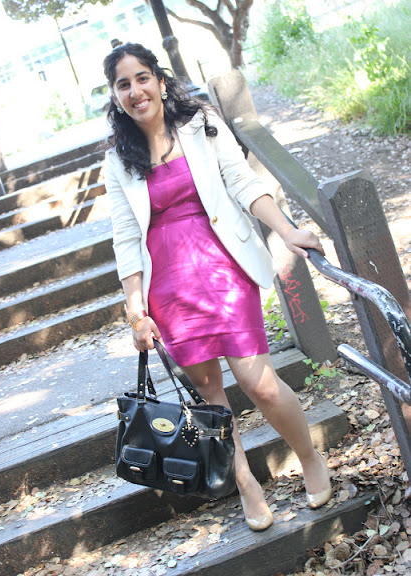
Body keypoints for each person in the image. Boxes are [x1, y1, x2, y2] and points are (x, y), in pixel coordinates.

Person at [103, 42, 332, 531]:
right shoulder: (118, 160)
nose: (135, 90)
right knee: (210, 398)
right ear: (115, 95)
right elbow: (125, 238)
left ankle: (309, 456)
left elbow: (242, 183)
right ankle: (247, 485)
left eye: (142, 78)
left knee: (260, 384)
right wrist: (134, 309)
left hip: (223, 267)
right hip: (169, 289)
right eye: (124, 84)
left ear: (160, 82)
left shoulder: (200, 122)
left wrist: (287, 229)